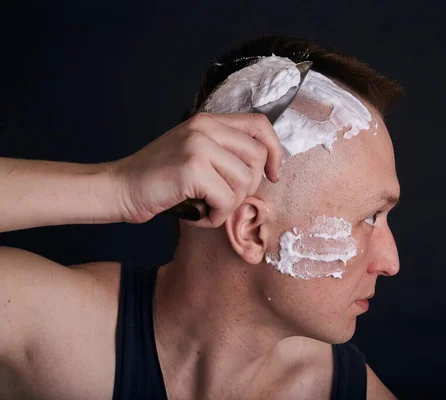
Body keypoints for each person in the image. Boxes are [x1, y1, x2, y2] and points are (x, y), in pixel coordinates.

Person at [0, 35, 402, 399]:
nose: (390, 263)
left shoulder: (345, 391)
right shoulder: (59, 337)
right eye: (370, 217)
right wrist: (117, 187)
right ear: (251, 230)